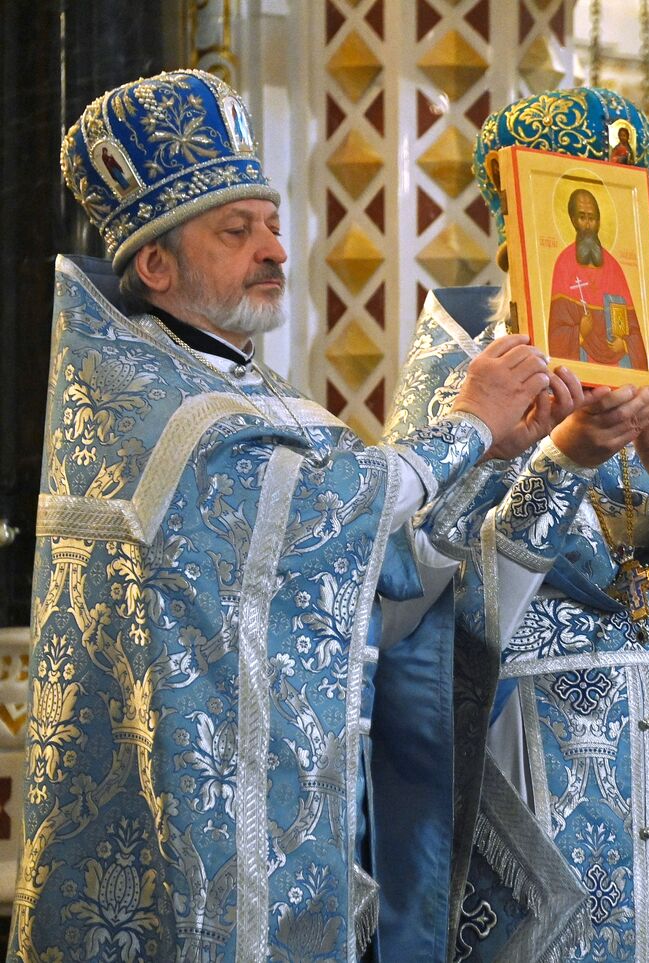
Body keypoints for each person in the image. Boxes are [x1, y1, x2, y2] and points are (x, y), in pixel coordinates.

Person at [16, 69, 566, 962]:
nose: (274, 248)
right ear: (155, 264)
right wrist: (467, 426)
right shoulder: (150, 406)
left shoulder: (254, 393)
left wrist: (504, 458)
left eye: (273, 223)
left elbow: (377, 568)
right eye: (237, 232)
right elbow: (321, 510)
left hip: (290, 823)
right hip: (189, 838)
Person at [404, 85, 649, 962]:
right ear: (522, 233)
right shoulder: (463, 393)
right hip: (531, 776)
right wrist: (563, 461)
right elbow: (432, 613)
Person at [548, 187, 648, 370]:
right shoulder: (564, 263)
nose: (587, 225)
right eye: (582, 217)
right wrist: (578, 333)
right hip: (579, 369)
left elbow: (636, 329)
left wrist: (625, 345)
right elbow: (553, 332)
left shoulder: (614, 267)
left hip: (618, 369)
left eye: (592, 218)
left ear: (599, 221)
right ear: (572, 220)